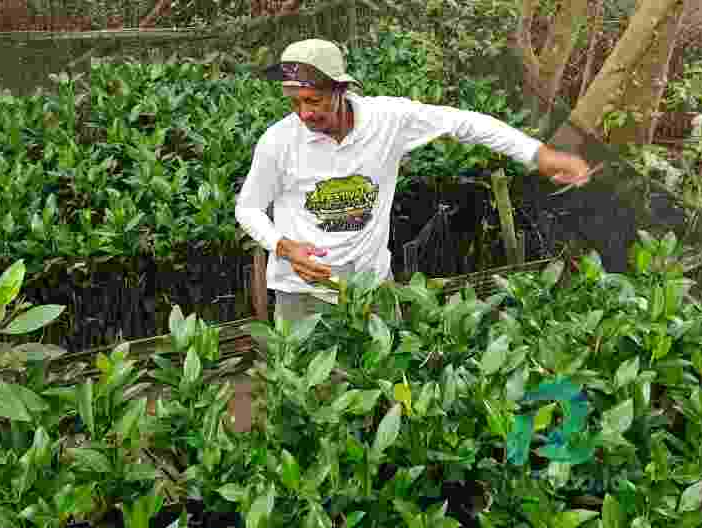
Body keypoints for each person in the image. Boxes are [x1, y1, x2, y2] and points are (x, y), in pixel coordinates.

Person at [235, 38, 598, 323]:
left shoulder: (387, 121)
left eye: (313, 100)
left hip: (372, 285)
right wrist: (284, 247)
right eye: (295, 102)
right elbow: (248, 208)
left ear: (341, 90)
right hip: (301, 292)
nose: (304, 113)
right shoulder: (278, 142)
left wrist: (538, 154)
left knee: (384, 379)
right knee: (306, 390)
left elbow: (465, 123)